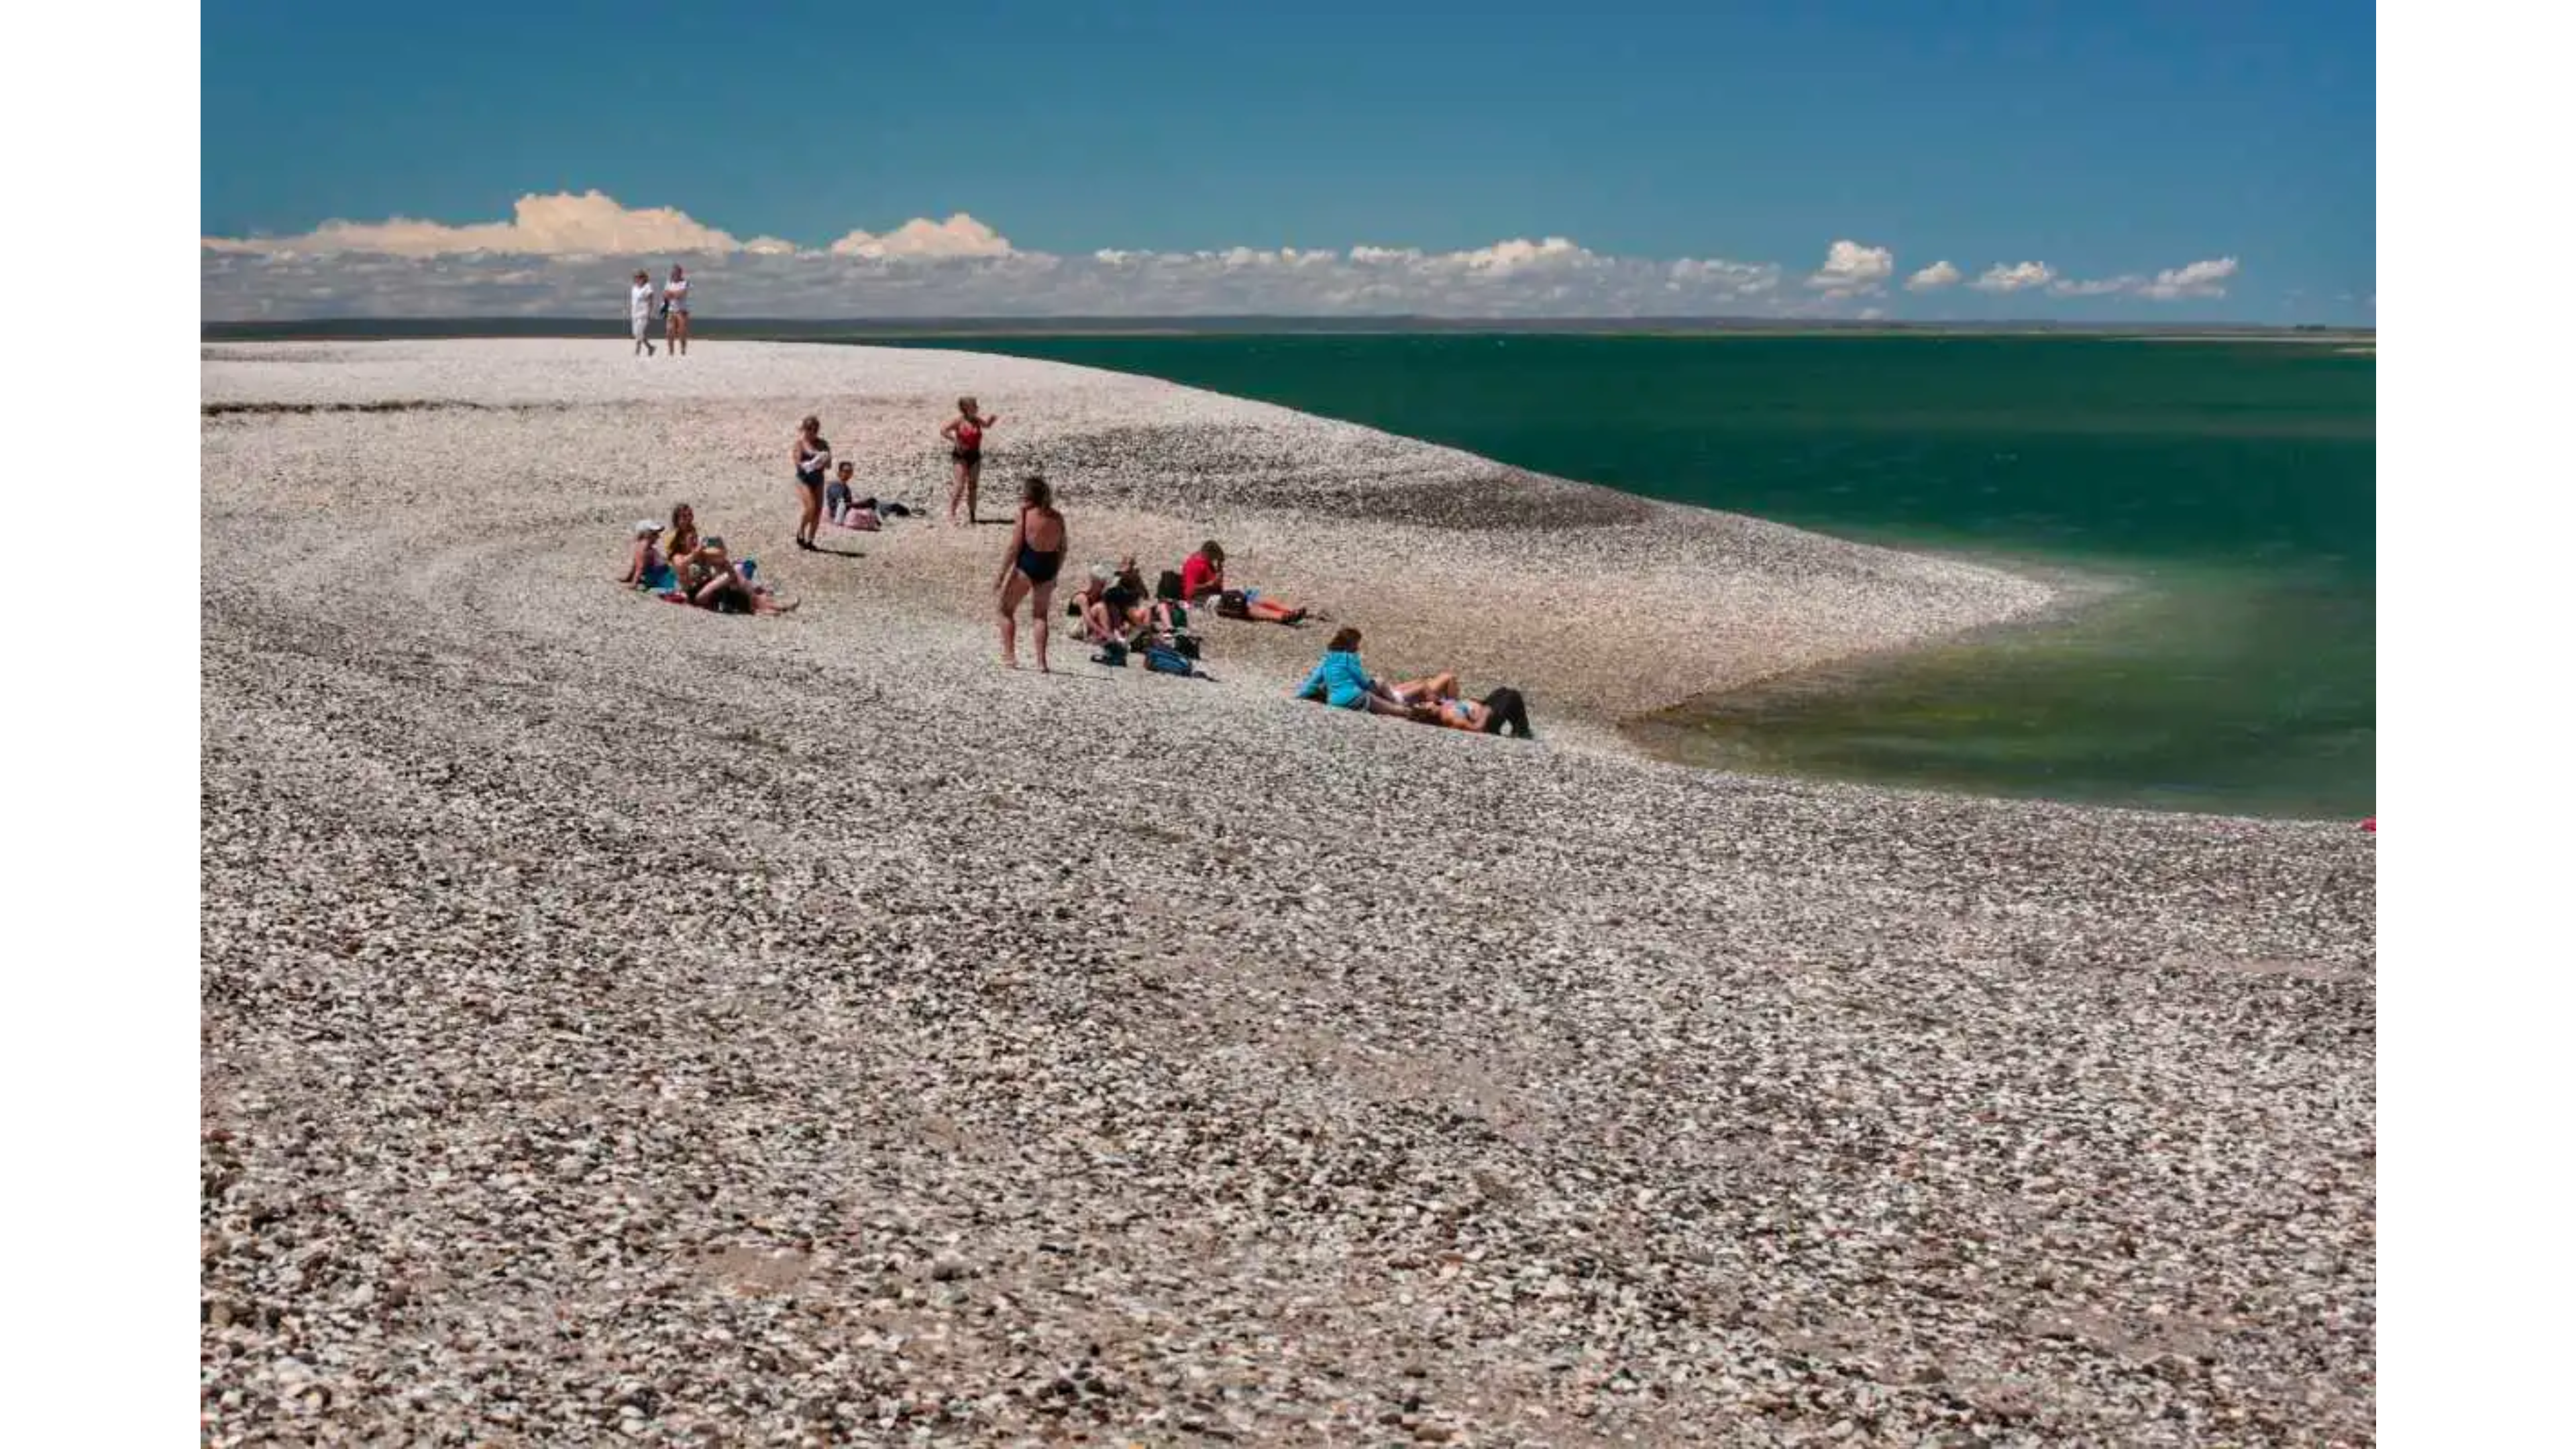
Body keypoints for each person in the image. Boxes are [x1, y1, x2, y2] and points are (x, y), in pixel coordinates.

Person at [995, 475, 1067, 671]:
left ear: (1029, 495)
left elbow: (1014, 547)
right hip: (1049, 566)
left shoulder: (1026, 515)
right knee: (1040, 616)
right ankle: (1041, 662)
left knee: (1005, 610)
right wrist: (1056, 573)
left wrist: (1001, 574)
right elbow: (1063, 548)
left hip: (1028, 564)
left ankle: (1010, 657)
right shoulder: (1058, 517)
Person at [1178, 540, 1309, 624]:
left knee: (1252, 596)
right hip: (1199, 601)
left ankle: (1291, 611)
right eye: (1215, 558)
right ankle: (1281, 617)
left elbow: (1217, 585)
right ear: (1208, 554)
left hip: (1214, 594)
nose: (1215, 561)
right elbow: (1190, 592)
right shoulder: (1194, 565)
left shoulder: (1208, 563)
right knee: (1241, 604)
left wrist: (1219, 569)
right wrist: (1209, 585)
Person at [1293, 628, 1415, 716]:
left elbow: (1313, 681)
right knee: (1395, 710)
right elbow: (1362, 682)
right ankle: (1406, 708)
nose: (1358, 647)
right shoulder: (1348, 658)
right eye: (1357, 643)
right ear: (1350, 644)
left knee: (1380, 692)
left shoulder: (1328, 659)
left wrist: (1301, 695)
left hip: (1333, 701)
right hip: (1354, 698)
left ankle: (1399, 703)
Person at [940, 396, 1000, 526]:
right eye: (974, 406)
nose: (977, 408)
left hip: (975, 456)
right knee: (960, 485)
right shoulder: (958, 421)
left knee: (973, 486)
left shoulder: (977, 420)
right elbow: (943, 431)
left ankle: (972, 515)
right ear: (966, 408)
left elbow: (987, 426)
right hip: (960, 456)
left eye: (976, 405)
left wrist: (992, 420)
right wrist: (955, 441)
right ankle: (951, 513)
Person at [790, 416, 831, 551]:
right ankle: (801, 530)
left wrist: (823, 461)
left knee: (818, 511)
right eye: (809, 429)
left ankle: (810, 540)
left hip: (818, 479)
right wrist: (811, 464)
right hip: (803, 479)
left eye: (815, 429)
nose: (812, 432)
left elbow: (829, 465)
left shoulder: (823, 444)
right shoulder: (799, 444)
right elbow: (797, 463)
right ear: (804, 429)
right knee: (810, 507)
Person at [618, 519, 678, 592]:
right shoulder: (644, 549)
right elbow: (640, 567)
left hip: (661, 572)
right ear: (646, 535)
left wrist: (629, 577)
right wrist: (634, 584)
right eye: (655, 534)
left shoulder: (640, 546)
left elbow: (636, 564)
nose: (658, 537)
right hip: (660, 575)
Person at [661, 264, 692, 356]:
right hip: (671, 310)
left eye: (677, 272)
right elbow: (665, 295)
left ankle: (683, 348)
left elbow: (681, 294)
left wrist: (672, 294)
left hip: (682, 311)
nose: (675, 274)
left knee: (681, 332)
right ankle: (671, 351)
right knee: (669, 331)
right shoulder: (668, 282)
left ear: (680, 273)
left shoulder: (685, 282)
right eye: (674, 272)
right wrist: (673, 294)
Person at [628, 270, 658, 356]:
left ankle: (637, 351)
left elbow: (651, 300)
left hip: (644, 313)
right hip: (635, 313)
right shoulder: (634, 288)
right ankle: (650, 347)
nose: (637, 279)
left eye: (640, 277)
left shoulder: (648, 287)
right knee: (636, 333)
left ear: (644, 278)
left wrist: (649, 313)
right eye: (636, 277)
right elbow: (633, 301)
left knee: (639, 332)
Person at [824, 460, 857, 525]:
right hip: (838, 515)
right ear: (839, 473)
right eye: (846, 471)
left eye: (850, 472)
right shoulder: (836, 485)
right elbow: (841, 503)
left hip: (844, 512)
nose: (848, 474)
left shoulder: (844, 486)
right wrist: (858, 505)